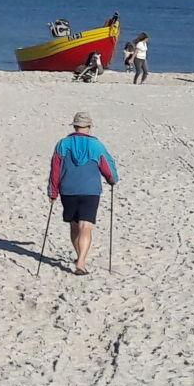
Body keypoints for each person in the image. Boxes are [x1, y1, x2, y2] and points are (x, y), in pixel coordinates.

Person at [49, 110, 119, 275]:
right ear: (89, 127)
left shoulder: (62, 144)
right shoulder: (96, 145)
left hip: (68, 190)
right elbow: (107, 166)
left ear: (74, 126)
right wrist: (112, 179)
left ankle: (79, 257)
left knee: (74, 226)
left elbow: (55, 170)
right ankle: (81, 262)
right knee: (85, 226)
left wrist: (53, 192)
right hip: (90, 190)